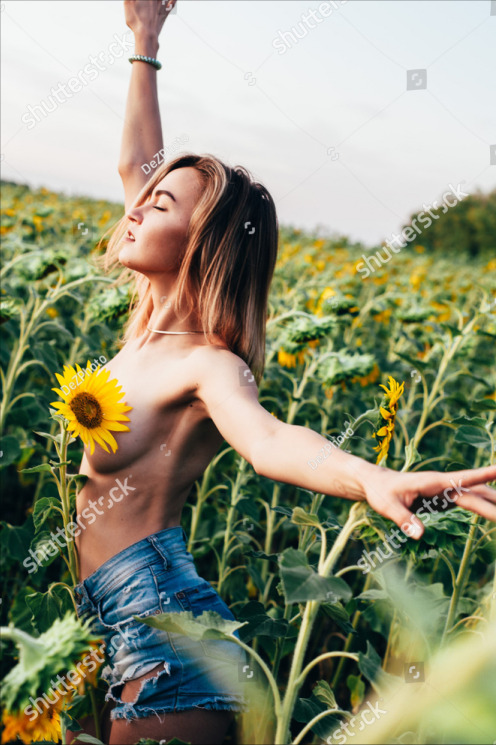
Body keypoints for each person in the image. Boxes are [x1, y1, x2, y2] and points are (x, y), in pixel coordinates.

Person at [68, 1, 496, 743]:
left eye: (160, 203)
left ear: (201, 244)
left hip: (166, 643)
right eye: (144, 196)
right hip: (108, 626)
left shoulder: (208, 363)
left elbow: (271, 443)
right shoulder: (144, 319)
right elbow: (133, 163)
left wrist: (373, 478)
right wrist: (145, 38)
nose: (134, 209)